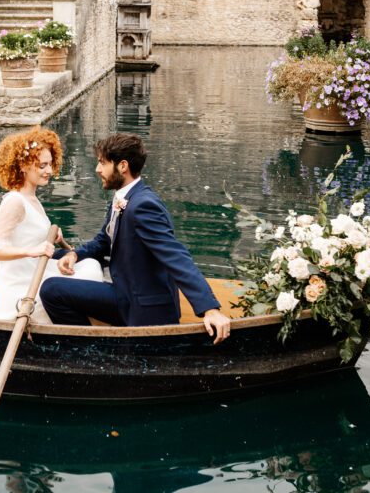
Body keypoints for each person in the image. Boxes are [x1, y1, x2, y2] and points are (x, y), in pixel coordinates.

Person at [40, 132, 231, 343]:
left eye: (102, 163)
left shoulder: (143, 206)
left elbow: (175, 255)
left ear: (122, 166)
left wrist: (210, 308)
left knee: (51, 290)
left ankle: (90, 349)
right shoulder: (124, 196)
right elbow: (104, 240)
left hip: (142, 305)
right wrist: (75, 254)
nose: (97, 169)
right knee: (58, 262)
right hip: (126, 291)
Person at [0, 126, 103, 322]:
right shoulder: (14, 201)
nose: (50, 171)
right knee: (88, 274)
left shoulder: (33, 200)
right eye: (42, 166)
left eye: (50, 164)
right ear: (23, 166)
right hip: (22, 287)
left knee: (90, 266)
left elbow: (30, 235)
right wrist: (32, 250)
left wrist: (55, 238)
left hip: (36, 274)